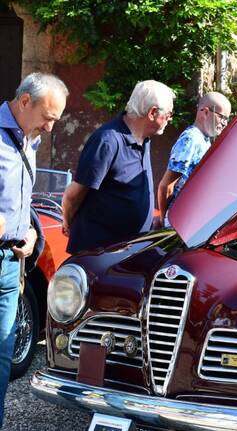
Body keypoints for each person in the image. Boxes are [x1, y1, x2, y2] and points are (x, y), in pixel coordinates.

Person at [0, 72, 68, 426]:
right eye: (48, 117)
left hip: (12, 262)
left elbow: (22, 198)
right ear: (25, 102)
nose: (51, 128)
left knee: (3, 351)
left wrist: (30, 231)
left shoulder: (29, 139)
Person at [62, 80, 175, 254]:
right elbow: (72, 196)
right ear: (152, 113)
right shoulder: (108, 141)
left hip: (128, 251)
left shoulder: (144, 139)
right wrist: (68, 223)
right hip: (99, 255)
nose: (170, 119)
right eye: (169, 114)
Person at [157, 92, 231, 225]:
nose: (225, 123)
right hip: (178, 223)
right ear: (205, 112)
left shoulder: (204, 139)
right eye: (222, 117)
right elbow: (166, 186)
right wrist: (163, 221)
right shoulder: (191, 139)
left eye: (227, 119)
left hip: (189, 221)